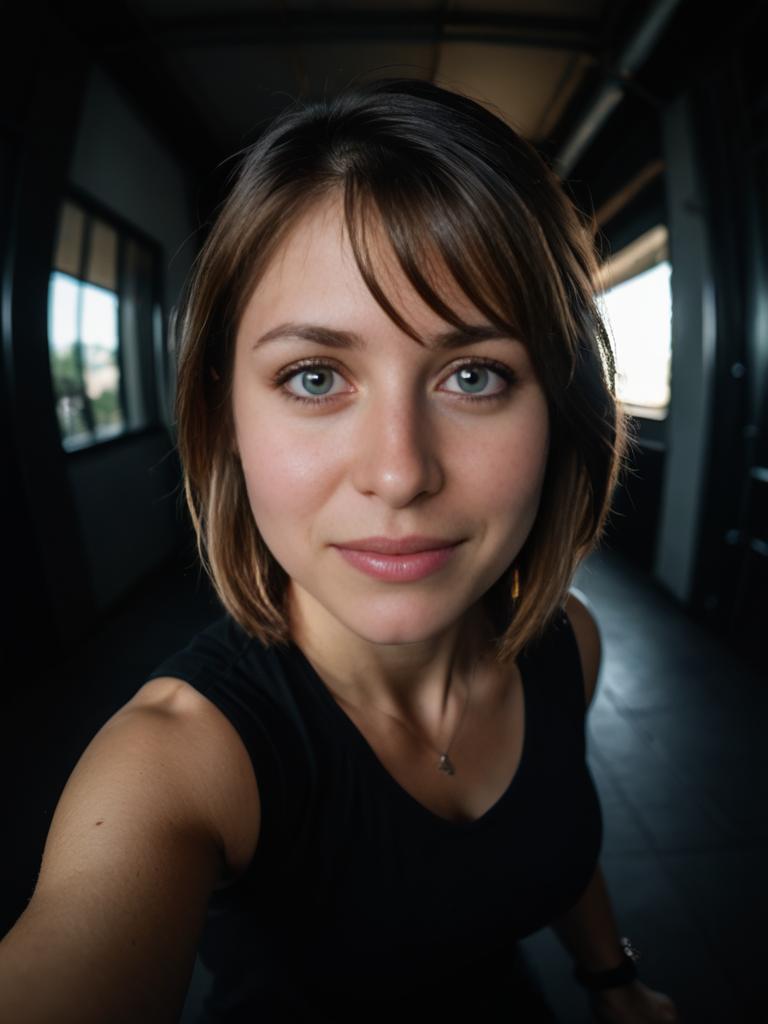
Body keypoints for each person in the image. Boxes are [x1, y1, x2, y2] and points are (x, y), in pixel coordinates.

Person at [0, 77, 680, 1023]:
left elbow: (550, 842)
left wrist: (614, 983)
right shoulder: (175, 768)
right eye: (315, 376)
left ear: (558, 411)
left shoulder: (570, 644)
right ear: (225, 416)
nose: (399, 474)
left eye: (474, 374)